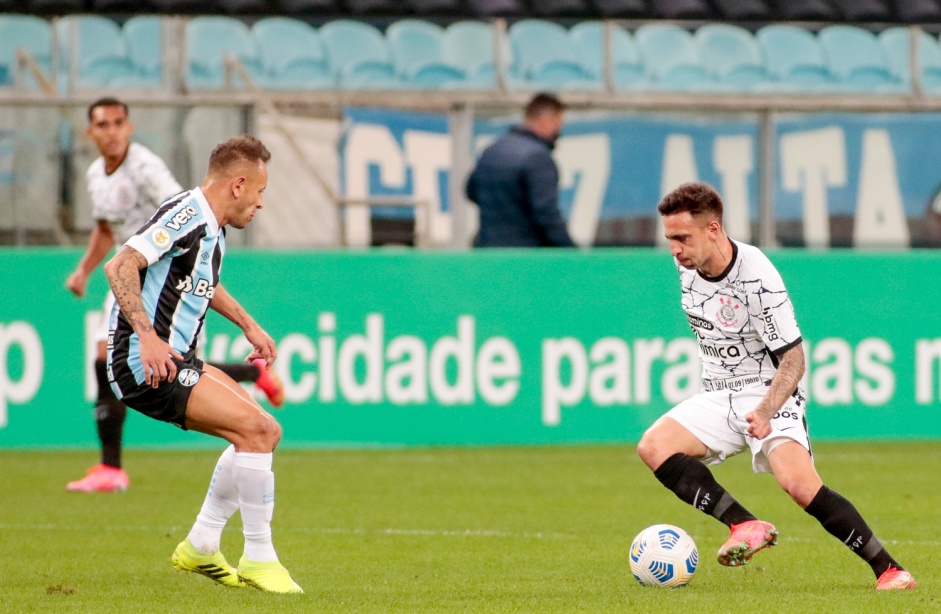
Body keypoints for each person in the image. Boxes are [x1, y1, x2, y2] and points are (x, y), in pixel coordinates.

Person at [637, 182, 916, 591]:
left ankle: (890, 570)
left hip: (767, 391)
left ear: (713, 230)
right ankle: (745, 525)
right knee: (653, 446)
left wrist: (766, 410)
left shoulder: (758, 278)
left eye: (682, 238)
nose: (675, 250)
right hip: (718, 393)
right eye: (670, 240)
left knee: (800, 486)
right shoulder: (688, 265)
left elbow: (795, 358)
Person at [103, 134, 302, 593]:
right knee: (259, 431)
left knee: (259, 432)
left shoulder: (212, 227)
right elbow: (121, 266)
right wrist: (148, 338)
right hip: (145, 362)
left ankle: (203, 543)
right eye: (260, 191)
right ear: (237, 184)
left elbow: (202, 285)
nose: (261, 203)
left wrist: (248, 324)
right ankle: (258, 556)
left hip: (177, 358)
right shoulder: (187, 214)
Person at [65, 97, 284, 493]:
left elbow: (187, 223)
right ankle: (111, 466)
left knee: (240, 416)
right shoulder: (99, 175)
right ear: (90, 133)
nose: (111, 131)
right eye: (103, 124)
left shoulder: (152, 173)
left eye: (118, 122)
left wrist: (248, 325)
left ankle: (121, 474)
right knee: (120, 359)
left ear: (129, 127)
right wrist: (85, 271)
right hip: (137, 273)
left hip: (158, 274)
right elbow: (117, 240)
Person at [465, 92, 575, 247]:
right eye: (559, 123)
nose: (559, 131)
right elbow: (546, 214)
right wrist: (571, 252)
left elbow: (471, 192)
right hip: (525, 258)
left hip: (487, 253)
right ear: (548, 121)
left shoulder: (492, 150)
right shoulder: (538, 158)